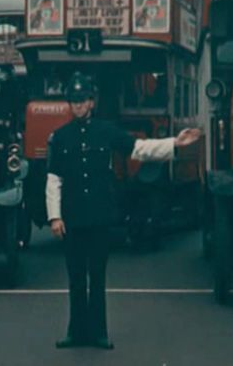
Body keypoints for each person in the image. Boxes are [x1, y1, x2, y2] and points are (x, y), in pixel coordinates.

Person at [47, 72, 200, 349]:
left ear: (92, 102)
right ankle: (76, 332)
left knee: (98, 274)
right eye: (73, 101)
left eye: (82, 100)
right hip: (72, 217)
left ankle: (99, 333)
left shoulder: (106, 131)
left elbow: (139, 149)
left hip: (99, 215)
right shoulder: (59, 138)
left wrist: (174, 144)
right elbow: (54, 180)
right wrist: (54, 216)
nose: (78, 105)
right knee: (76, 277)